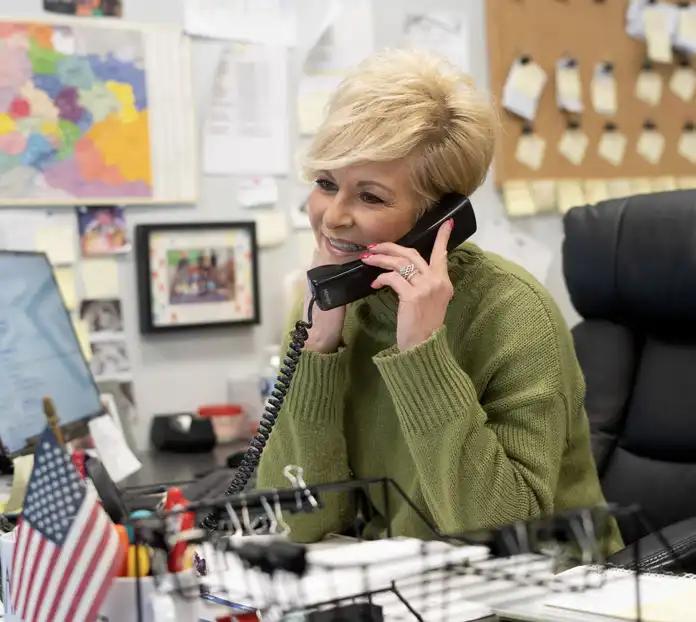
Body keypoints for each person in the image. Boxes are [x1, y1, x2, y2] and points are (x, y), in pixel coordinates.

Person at [256, 49, 623, 552]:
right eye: (326, 184)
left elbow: (503, 533)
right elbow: (298, 525)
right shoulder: (328, 303)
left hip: (539, 596)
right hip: (395, 588)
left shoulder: (514, 314)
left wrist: (422, 353)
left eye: (371, 197)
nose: (333, 217)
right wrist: (317, 348)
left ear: (439, 217)